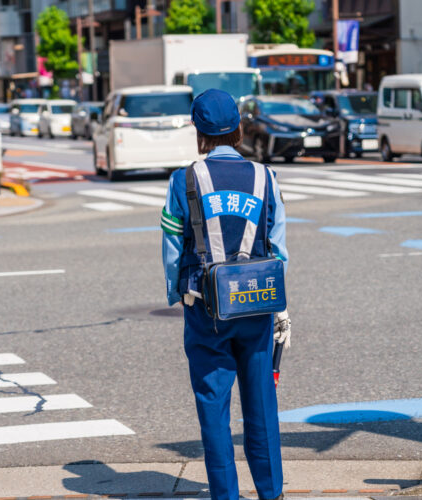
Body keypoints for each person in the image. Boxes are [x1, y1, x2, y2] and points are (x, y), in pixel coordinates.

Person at [161, 89, 291, 500]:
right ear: (238, 127)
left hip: (206, 308)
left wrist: (175, 293)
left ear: (198, 131)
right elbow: (279, 249)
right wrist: (280, 308)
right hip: (257, 304)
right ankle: (272, 493)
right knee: (262, 408)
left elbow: (171, 249)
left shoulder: (183, 180)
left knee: (214, 409)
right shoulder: (264, 177)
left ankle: (226, 494)